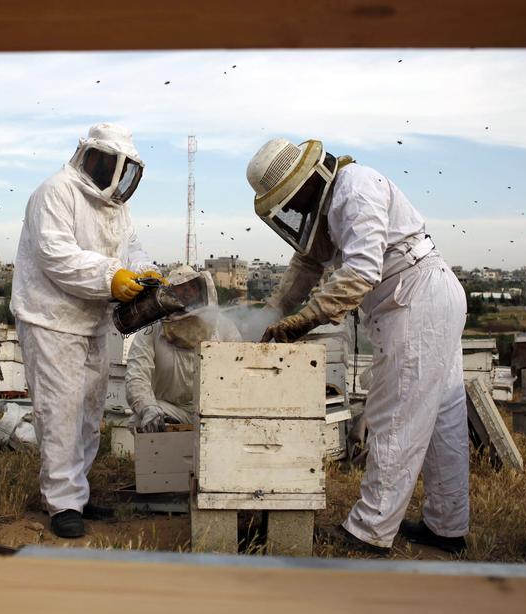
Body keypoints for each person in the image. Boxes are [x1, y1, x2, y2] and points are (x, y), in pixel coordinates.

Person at [245, 137, 468, 555]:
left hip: (415, 298)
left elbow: (362, 270)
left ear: (309, 180)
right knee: (442, 419)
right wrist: (274, 311)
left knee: (395, 416)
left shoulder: (355, 187)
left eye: (291, 200)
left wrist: (306, 319)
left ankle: (369, 530)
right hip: (424, 296)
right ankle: (447, 526)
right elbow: (307, 265)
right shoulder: (332, 206)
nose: (293, 211)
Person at [11, 123, 164, 538]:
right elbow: (56, 255)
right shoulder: (55, 191)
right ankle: (61, 502)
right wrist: (110, 277)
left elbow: (130, 247)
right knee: (60, 411)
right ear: (93, 156)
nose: (116, 173)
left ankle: (76, 491)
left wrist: (144, 269)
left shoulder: (116, 206)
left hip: (91, 320)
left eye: (124, 167)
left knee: (88, 412)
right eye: (110, 162)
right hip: (50, 318)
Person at [125, 266, 241, 433]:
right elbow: (137, 374)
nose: (187, 292)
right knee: (140, 418)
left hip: (212, 409)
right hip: (170, 409)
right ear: (170, 292)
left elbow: (239, 368)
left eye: (193, 287)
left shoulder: (223, 326)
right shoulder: (151, 329)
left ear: (202, 291)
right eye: (181, 287)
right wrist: (148, 407)